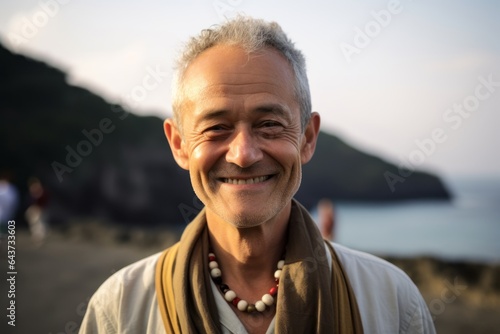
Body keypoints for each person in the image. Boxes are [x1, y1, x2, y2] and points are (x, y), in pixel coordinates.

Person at [80, 16, 435, 333]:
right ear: (179, 145)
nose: (244, 154)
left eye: (269, 124)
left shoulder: (391, 303)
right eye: (216, 127)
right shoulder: (120, 310)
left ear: (307, 138)